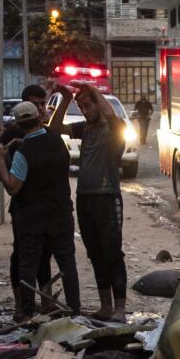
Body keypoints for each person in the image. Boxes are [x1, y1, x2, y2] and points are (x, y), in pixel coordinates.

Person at [0, 100, 80, 318]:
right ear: (39, 118)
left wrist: (0, 160)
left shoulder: (23, 152)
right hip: (60, 213)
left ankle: (27, 312)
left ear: (19, 124)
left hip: (32, 217)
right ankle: (75, 311)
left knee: (28, 264)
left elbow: (13, 187)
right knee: (67, 264)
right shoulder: (58, 141)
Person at [64, 83, 128, 322]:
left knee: (112, 253)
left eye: (87, 106)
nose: (84, 111)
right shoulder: (85, 129)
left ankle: (119, 309)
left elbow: (110, 114)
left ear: (98, 105)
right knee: (95, 253)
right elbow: (54, 128)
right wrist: (63, 100)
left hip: (107, 197)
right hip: (85, 197)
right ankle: (106, 307)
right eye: (81, 107)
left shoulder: (114, 129)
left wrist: (92, 89)